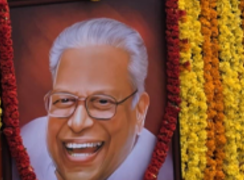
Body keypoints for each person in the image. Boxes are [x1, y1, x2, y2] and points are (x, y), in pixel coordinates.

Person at [17, 18, 172, 180]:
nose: (78, 123)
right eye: (64, 100)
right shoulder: (26, 145)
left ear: (140, 111)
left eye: (102, 102)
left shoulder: (169, 169)